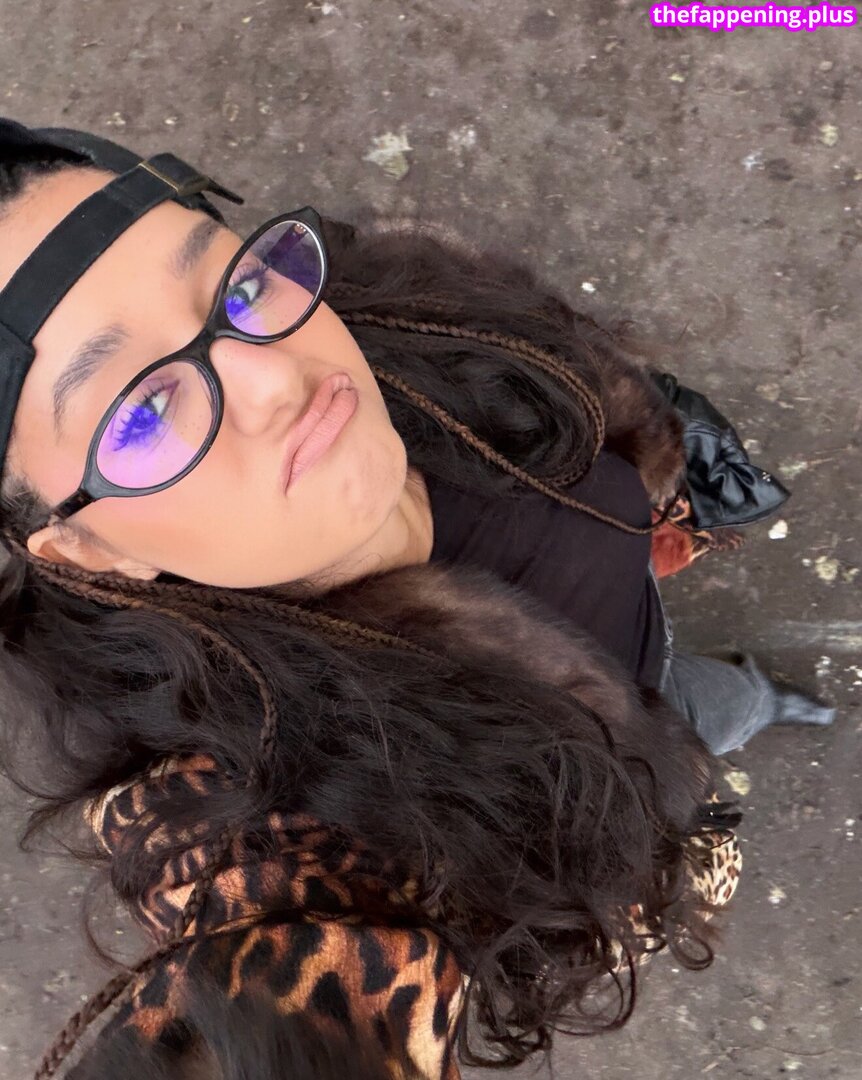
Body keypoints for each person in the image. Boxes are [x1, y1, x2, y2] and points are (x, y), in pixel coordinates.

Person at [0, 118, 829, 1080]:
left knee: (709, 699)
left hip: (643, 628)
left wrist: (660, 472)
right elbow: (276, 1016)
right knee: (702, 732)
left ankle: (758, 699)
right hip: (628, 763)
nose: (273, 374)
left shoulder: (401, 307)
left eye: (236, 287)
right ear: (88, 548)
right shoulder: (263, 800)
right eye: (146, 410)